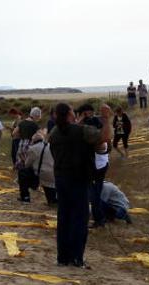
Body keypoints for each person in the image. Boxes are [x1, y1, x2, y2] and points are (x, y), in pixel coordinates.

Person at [49, 102, 113, 268]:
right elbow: (105, 138)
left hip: (61, 178)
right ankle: (77, 257)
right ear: (70, 115)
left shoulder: (54, 132)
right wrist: (106, 119)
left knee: (64, 217)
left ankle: (62, 258)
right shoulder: (83, 131)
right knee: (79, 218)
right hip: (79, 178)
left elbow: (64, 140)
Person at [13, 107, 43, 202]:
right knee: (30, 167)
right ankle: (32, 185)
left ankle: (23, 191)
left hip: (22, 145)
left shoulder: (22, 122)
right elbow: (40, 137)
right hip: (31, 146)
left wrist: (22, 137)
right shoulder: (35, 125)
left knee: (21, 168)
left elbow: (14, 133)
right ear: (36, 116)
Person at [25, 136, 56, 206]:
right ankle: (53, 200)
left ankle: (25, 196)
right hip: (55, 171)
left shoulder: (33, 148)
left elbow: (27, 164)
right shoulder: (51, 146)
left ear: (33, 141)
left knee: (23, 172)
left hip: (42, 173)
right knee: (51, 186)